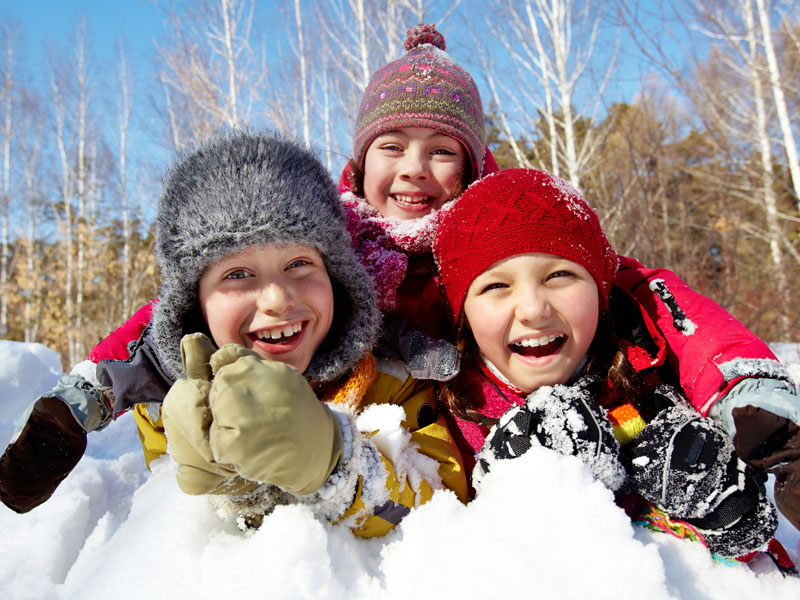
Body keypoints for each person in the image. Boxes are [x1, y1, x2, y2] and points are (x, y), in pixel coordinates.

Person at [3, 22, 797, 528]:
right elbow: (175, 312)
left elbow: (622, 286)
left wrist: (746, 391)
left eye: (442, 149)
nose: (415, 169)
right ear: (360, 159)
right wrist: (88, 392)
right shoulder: (321, 242)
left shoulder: (502, 237)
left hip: (440, 416)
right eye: (392, 145)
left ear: (474, 164)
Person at [0, 131, 468, 537]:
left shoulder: (387, 375)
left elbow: (436, 499)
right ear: (195, 303)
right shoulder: (170, 391)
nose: (278, 300)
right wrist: (237, 493)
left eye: (299, 264)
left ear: (338, 276)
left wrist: (335, 462)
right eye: (238, 274)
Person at [432, 169, 787, 560]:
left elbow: (741, 569)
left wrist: (730, 519)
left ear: (600, 290)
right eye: (497, 286)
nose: (534, 309)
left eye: (559, 275)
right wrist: (501, 501)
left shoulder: (647, 378)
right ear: (461, 312)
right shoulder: (446, 417)